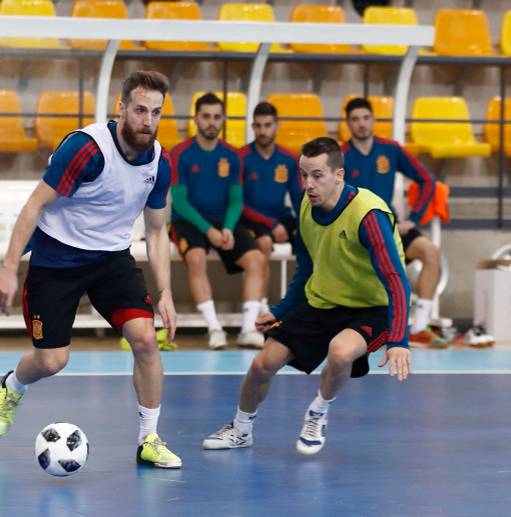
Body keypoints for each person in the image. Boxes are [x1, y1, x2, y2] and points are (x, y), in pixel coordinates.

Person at [0, 70, 182, 468]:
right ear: (121, 108)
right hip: (57, 259)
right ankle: (13, 385)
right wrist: (8, 268)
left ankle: (149, 439)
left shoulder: (159, 163)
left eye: (156, 112)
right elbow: (34, 205)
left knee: (146, 340)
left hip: (111, 259)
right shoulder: (87, 149)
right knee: (51, 361)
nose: (147, 120)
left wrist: (166, 294)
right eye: (140, 110)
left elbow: (156, 231)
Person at [202, 137, 412, 456]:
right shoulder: (306, 206)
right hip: (323, 301)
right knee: (261, 364)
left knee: (340, 353)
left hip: (373, 307)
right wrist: (281, 310)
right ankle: (241, 430)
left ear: (339, 175)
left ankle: (318, 412)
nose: (308, 184)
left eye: (317, 175)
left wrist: (399, 340)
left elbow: (396, 279)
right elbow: (306, 268)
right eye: (303, 174)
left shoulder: (368, 215)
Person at [341, 97, 450, 348]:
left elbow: (427, 179)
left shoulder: (390, 149)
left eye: (365, 118)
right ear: (347, 123)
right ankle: (360, 328)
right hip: (357, 230)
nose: (361, 124)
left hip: (389, 225)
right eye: (355, 119)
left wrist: (413, 219)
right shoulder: (342, 155)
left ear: (373, 120)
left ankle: (419, 327)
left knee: (431, 253)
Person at [169, 93, 267, 349]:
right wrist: (208, 230)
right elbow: (180, 202)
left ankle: (248, 330)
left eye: (216, 117)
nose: (211, 122)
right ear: (195, 119)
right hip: (188, 221)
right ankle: (214, 329)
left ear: (223, 119)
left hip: (223, 221)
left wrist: (228, 228)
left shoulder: (232, 155)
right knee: (196, 259)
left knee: (256, 260)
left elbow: (236, 200)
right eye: (206, 116)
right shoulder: (180, 153)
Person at [238, 101, 303, 313]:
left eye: (267, 125)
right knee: (264, 243)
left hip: (280, 216)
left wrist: (303, 225)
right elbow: (239, 203)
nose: (263, 131)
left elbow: (298, 199)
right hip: (250, 218)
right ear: (253, 127)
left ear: (277, 125)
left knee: (311, 241)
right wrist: (272, 224)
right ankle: (262, 307)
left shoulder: (289, 159)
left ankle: (307, 306)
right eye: (258, 125)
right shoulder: (241, 157)